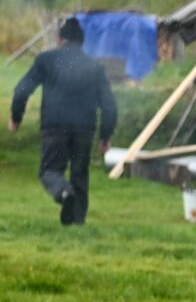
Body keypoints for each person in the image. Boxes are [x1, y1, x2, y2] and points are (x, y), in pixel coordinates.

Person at [9, 17, 118, 225]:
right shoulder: (94, 66)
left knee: (50, 171)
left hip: (54, 127)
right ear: (82, 42)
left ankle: (63, 193)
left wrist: (16, 117)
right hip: (84, 130)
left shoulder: (46, 60)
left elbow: (22, 89)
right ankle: (76, 222)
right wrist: (106, 135)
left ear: (60, 39)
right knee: (80, 175)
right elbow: (109, 104)